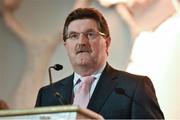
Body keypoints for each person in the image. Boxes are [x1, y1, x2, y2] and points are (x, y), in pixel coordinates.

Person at [35, 8, 164, 119]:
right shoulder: (47, 95)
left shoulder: (133, 88)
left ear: (107, 43)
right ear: (66, 46)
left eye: (90, 34)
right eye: (74, 36)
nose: (81, 42)